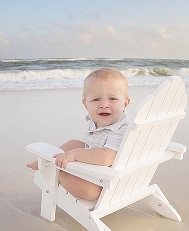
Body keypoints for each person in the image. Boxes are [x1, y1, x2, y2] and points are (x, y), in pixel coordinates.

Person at [26, 68, 130, 200]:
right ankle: (47, 160)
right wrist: (73, 152)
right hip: (101, 175)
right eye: (96, 99)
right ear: (85, 104)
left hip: (100, 187)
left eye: (112, 98)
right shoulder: (98, 121)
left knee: (73, 176)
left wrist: (75, 154)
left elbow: (106, 158)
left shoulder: (120, 129)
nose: (104, 104)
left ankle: (49, 167)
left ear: (125, 103)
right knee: (73, 143)